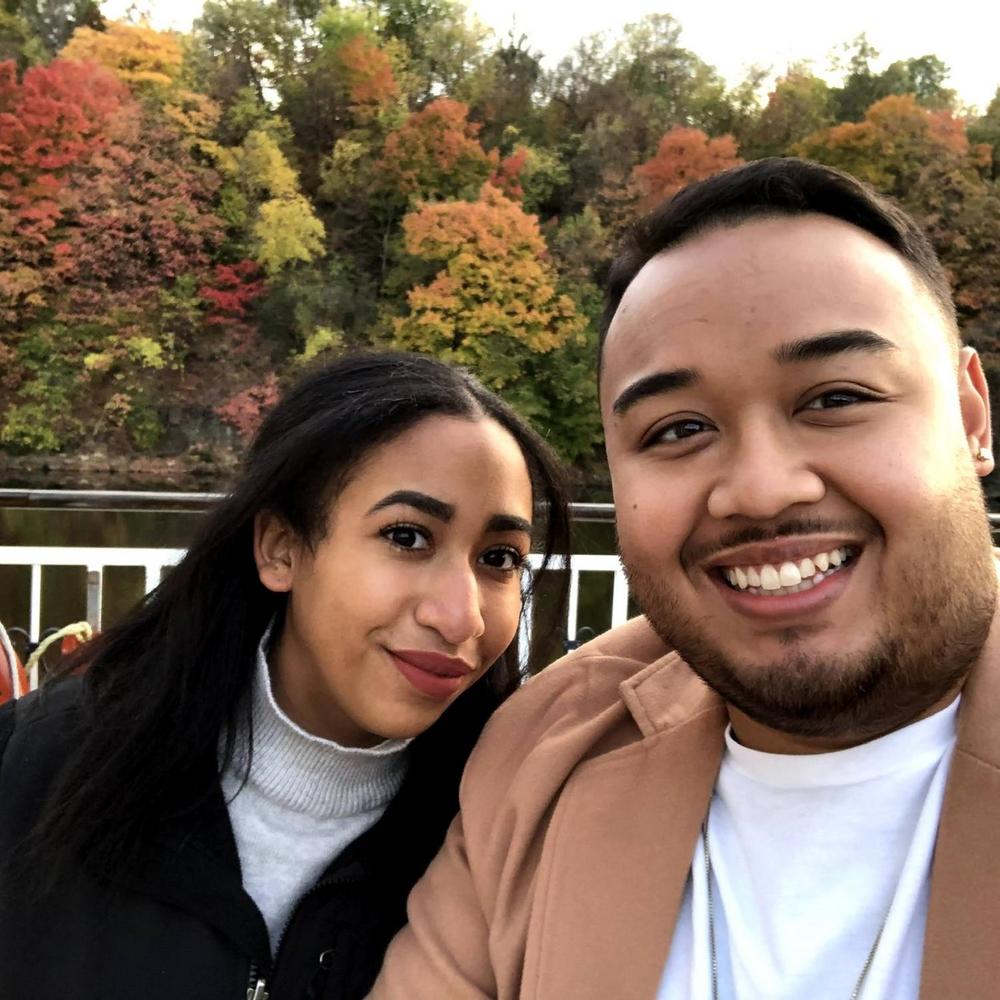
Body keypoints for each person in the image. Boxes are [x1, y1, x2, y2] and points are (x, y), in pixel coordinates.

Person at [369, 157, 1000, 1000]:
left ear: (970, 418)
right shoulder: (542, 755)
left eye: (835, 398)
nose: (760, 489)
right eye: (677, 430)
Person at [0, 351, 570, 1000]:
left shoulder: (509, 840)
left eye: (500, 559)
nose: (462, 616)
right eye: (407, 538)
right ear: (280, 548)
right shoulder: (37, 770)